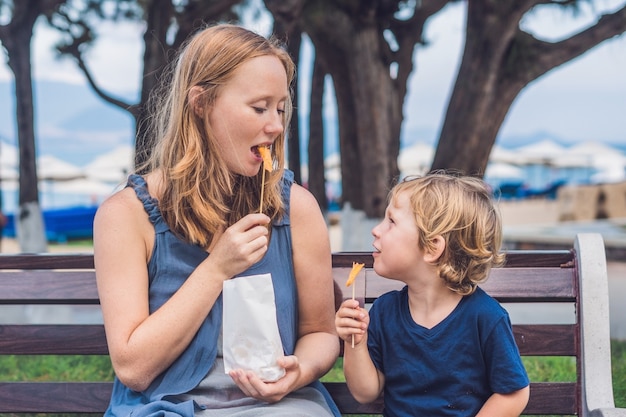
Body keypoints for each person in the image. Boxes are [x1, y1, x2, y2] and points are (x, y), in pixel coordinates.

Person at [93, 23, 340, 417]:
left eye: (280, 108)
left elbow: (320, 333)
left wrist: (299, 372)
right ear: (201, 103)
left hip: (281, 408)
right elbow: (133, 368)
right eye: (260, 108)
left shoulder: (297, 208)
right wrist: (217, 269)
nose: (276, 126)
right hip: (166, 407)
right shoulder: (126, 215)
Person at [335, 172, 530, 416]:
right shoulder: (385, 311)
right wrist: (355, 343)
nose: (376, 230)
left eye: (391, 221)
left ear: (432, 247)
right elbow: (366, 392)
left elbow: (514, 392)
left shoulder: (485, 317)